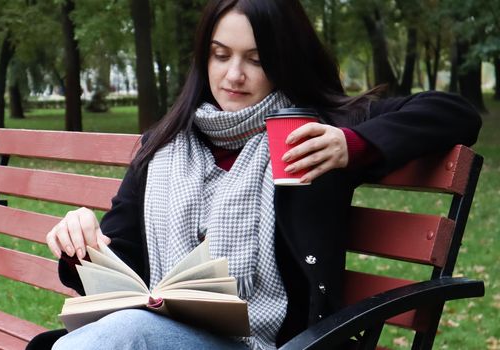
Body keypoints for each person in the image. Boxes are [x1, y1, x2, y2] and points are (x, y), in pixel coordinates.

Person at [32, 0, 481, 349]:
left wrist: (351, 146)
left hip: (276, 345)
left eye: (257, 59)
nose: (233, 75)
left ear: (284, 61)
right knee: (122, 333)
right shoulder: (162, 147)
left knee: (125, 335)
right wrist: (84, 249)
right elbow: (122, 263)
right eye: (220, 55)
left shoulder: (309, 135)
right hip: (160, 335)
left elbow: (453, 113)